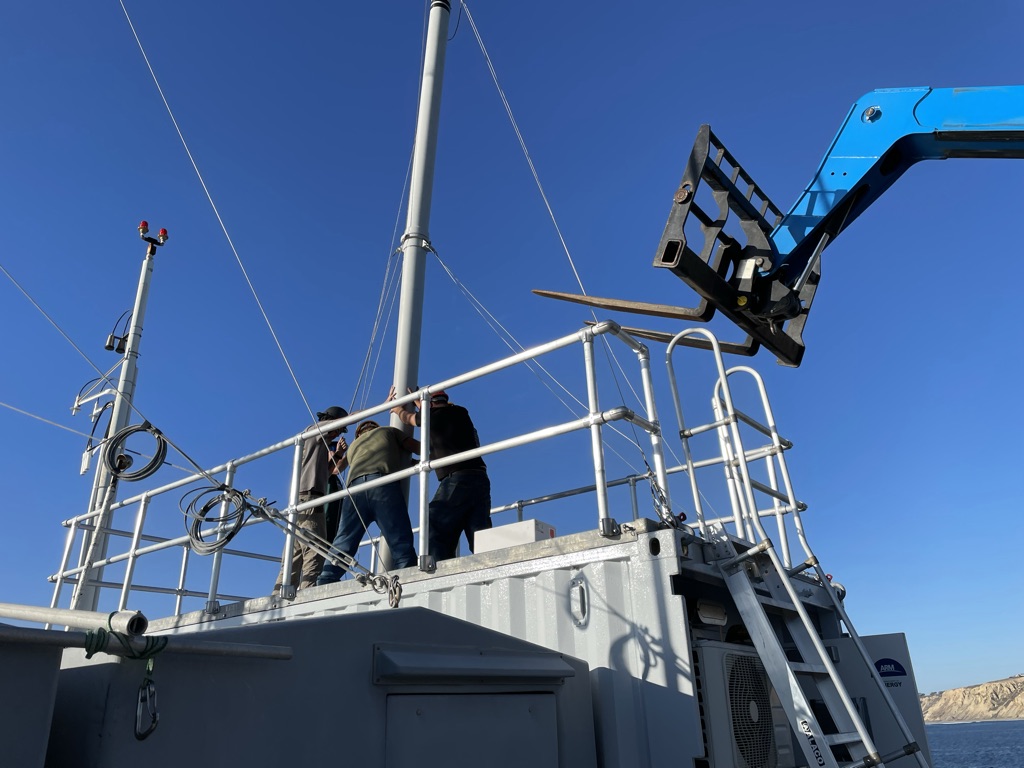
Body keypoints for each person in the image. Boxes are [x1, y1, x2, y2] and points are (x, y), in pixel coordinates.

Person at [390, 387, 491, 561]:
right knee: (479, 533)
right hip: (479, 478)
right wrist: (419, 463)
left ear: (429, 405)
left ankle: (438, 571)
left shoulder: (434, 415)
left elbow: (410, 419)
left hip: (458, 478)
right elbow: (444, 447)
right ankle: (492, 566)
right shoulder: (459, 414)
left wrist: (397, 409)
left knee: (436, 523)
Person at [317, 419, 419, 584]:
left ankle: (325, 581)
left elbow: (335, 470)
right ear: (376, 428)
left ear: (359, 434)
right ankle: (407, 581)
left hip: (354, 491)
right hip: (382, 485)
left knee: (344, 541)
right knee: (400, 540)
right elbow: (418, 448)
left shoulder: (354, 446)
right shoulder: (389, 431)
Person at [274, 406, 348, 594]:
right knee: (316, 550)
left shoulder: (315, 442)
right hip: (310, 498)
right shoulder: (316, 431)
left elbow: (327, 471)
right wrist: (384, 403)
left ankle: (278, 596)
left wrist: (338, 455)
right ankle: (307, 595)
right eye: (339, 428)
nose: (339, 432)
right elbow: (349, 420)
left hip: (300, 499)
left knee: (295, 552)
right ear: (332, 422)